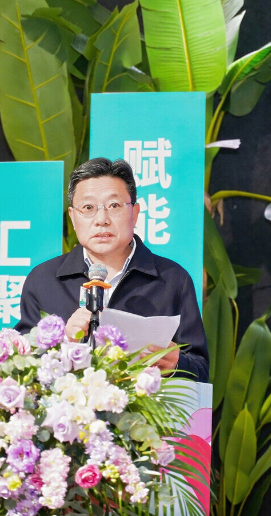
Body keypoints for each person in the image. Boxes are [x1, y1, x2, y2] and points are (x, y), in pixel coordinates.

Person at [15, 158, 209, 382]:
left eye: (114, 206)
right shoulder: (44, 280)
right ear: (73, 217)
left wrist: (176, 364)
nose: (101, 219)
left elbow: (201, 371)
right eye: (88, 208)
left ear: (134, 213)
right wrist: (63, 343)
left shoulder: (172, 279)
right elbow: (20, 368)